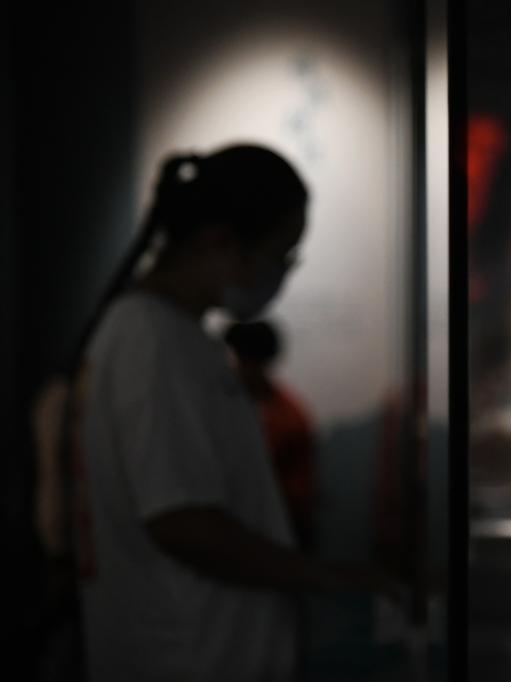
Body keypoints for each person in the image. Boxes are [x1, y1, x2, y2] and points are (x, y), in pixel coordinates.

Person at [69, 144, 387, 681]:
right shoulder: (152, 340)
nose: (281, 273)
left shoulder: (176, 337)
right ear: (219, 241)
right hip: (187, 658)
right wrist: (322, 576)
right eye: (280, 254)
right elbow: (181, 522)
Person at [224, 320, 315, 550]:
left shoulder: (289, 417)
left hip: (270, 529)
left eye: (248, 359)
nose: (242, 366)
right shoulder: (220, 402)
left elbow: (298, 492)